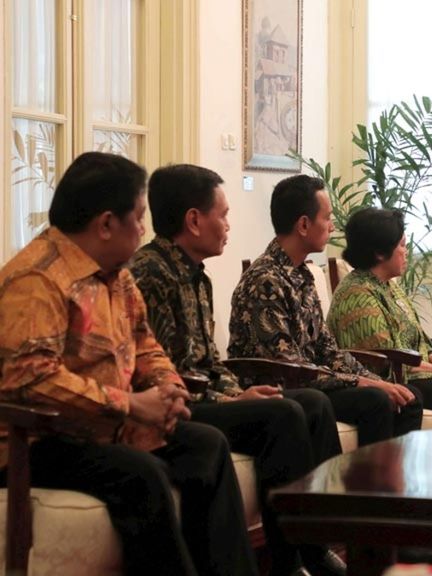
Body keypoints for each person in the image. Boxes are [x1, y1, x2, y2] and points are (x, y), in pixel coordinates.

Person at [0, 152, 257, 576]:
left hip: (102, 430)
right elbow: (31, 378)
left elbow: (144, 343)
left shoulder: (116, 276)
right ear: (105, 224)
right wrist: (132, 405)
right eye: (138, 218)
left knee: (206, 445)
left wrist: (167, 384)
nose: (144, 229)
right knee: (144, 476)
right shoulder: (38, 280)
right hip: (39, 441)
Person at [129, 164, 346, 576]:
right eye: (224, 214)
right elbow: (162, 374)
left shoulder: (196, 276)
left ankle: (314, 549)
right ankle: (289, 562)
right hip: (180, 404)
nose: (229, 225)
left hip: (206, 396)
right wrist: (228, 397)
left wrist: (233, 393)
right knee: (283, 413)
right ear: (194, 220)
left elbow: (211, 360)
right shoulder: (151, 274)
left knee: (312, 404)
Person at [228, 175, 423, 445]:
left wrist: (371, 378)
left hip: (312, 382)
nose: (332, 227)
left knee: (406, 396)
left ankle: (394, 482)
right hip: (284, 388)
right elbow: (290, 368)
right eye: (327, 218)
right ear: (304, 225)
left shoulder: (303, 274)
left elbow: (327, 349)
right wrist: (361, 383)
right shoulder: (266, 280)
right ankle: (362, 484)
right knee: (373, 399)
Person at [327, 207, 432, 426]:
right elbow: (384, 361)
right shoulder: (357, 294)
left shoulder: (389, 285)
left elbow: (418, 339)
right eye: (401, 245)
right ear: (379, 253)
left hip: (417, 373)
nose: (406, 251)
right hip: (396, 379)